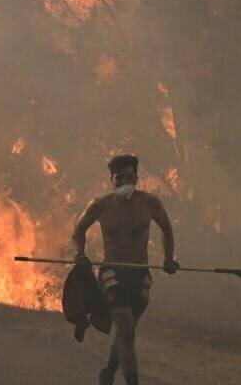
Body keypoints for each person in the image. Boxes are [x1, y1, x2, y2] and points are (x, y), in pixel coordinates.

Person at [72, 154, 177, 385]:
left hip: (140, 274)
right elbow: (79, 230)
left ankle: (109, 371)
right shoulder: (100, 205)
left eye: (129, 177)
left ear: (137, 177)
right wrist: (80, 254)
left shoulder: (150, 203)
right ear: (111, 180)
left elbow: (167, 230)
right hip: (112, 272)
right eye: (119, 178)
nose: (124, 182)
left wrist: (169, 259)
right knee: (125, 325)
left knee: (126, 333)